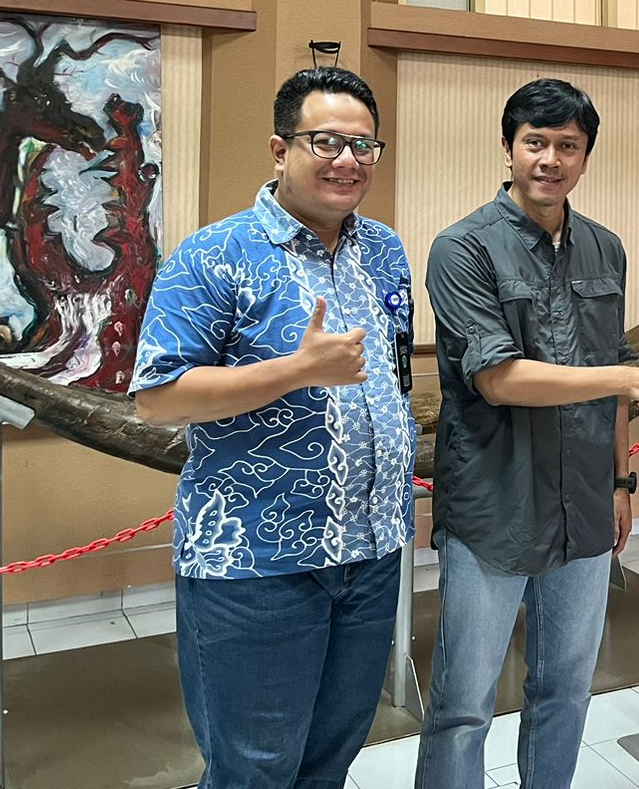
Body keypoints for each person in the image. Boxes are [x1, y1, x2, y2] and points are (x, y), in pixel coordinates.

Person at [132, 66, 415, 789]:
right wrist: (295, 371)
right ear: (280, 149)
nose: (347, 160)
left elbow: (392, 375)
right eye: (326, 141)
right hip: (255, 562)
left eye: (363, 146)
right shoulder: (213, 254)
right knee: (254, 770)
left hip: (372, 552)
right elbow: (158, 398)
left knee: (330, 758)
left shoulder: (384, 250)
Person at [416, 78, 639, 789]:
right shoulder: (462, 248)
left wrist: (620, 482)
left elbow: (612, 370)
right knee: (463, 705)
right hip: (493, 506)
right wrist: (627, 379)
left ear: (586, 156)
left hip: (584, 505)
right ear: (508, 149)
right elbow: (499, 379)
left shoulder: (605, 248)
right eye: (535, 142)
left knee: (565, 689)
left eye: (568, 145)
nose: (550, 159)